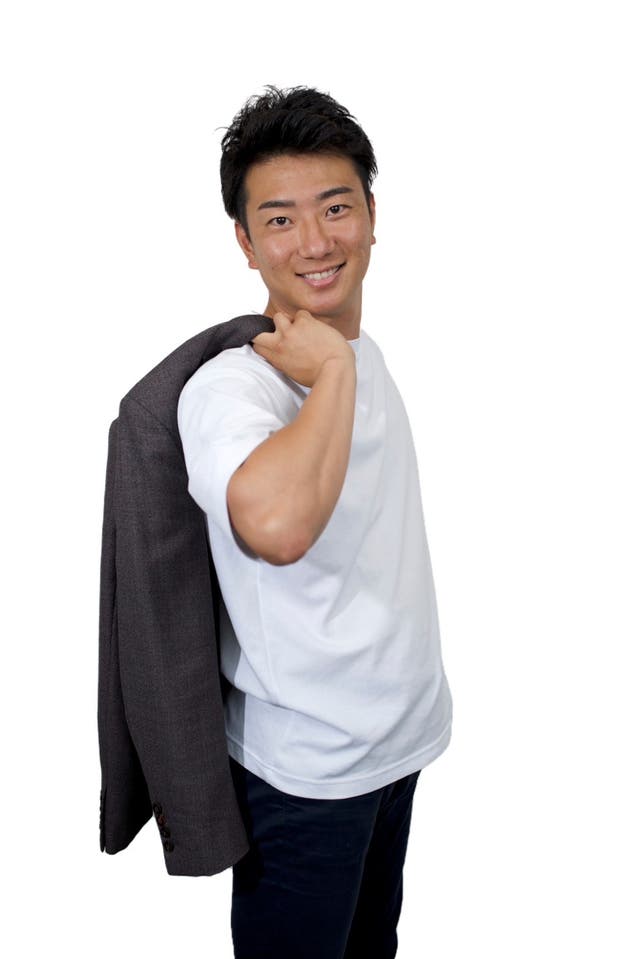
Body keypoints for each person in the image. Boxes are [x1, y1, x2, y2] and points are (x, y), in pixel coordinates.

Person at [177, 85, 453, 959]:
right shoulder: (230, 388)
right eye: (280, 219)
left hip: (395, 745)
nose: (315, 241)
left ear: (371, 215)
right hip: (304, 777)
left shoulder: (363, 354)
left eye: (336, 207)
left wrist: (340, 363)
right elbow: (279, 526)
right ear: (245, 242)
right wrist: (331, 372)